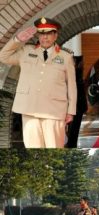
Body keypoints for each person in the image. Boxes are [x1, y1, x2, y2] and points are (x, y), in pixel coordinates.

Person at [0, 17, 77, 148]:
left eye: (48, 34)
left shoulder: (65, 57)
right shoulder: (26, 51)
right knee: (33, 149)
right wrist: (17, 40)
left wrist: (71, 111)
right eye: (41, 34)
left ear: (55, 35)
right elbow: (3, 56)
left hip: (54, 110)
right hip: (29, 108)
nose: (44, 38)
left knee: (54, 148)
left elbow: (72, 86)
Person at [66, 55, 87, 148]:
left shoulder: (77, 73)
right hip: (71, 106)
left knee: (74, 130)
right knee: (71, 130)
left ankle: (71, 144)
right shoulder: (70, 73)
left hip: (78, 106)